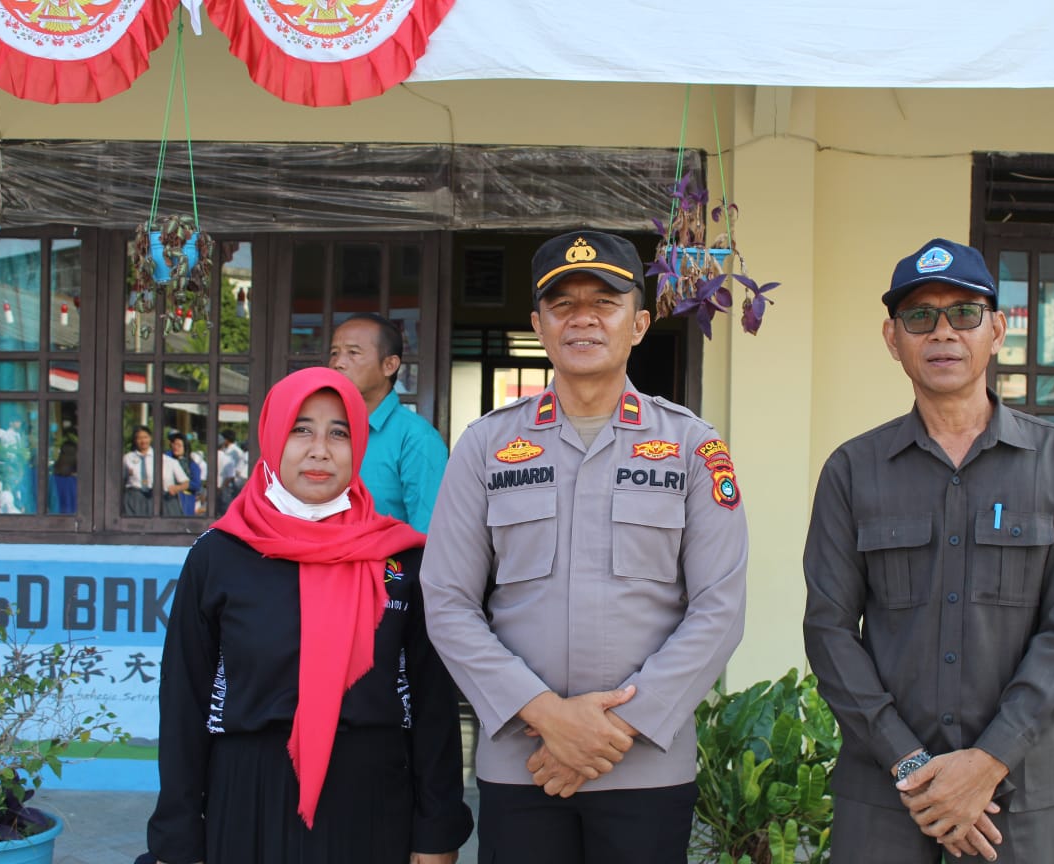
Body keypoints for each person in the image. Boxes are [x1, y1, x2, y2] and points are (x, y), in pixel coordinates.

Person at [421, 230, 748, 864]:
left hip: (646, 765)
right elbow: (448, 601)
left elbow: (720, 607)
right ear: (539, 325)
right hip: (525, 762)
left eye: (605, 301)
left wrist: (607, 733)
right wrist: (548, 717)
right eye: (563, 303)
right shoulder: (485, 446)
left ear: (640, 323)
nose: (583, 318)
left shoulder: (691, 446)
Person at [802, 238, 1054, 863]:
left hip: (1016, 801)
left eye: (964, 313)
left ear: (997, 330)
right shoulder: (853, 470)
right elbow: (829, 630)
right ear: (894, 339)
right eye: (920, 316)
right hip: (886, 798)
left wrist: (988, 761)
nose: (942, 332)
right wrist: (912, 765)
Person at [144, 367, 472, 864]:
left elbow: (432, 704)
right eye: (301, 429)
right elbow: (185, 699)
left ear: (358, 444)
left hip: (373, 799)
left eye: (339, 432)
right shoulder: (219, 555)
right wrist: (179, 835)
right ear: (273, 436)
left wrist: (436, 830)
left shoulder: (401, 559)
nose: (320, 449)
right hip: (248, 794)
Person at [329, 312, 448, 531]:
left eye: (353, 353)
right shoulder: (324, 429)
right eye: (334, 353)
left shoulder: (416, 439)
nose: (338, 363)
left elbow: (428, 536)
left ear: (390, 365)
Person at [121, 425, 190, 516]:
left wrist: (176, 488)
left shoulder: (166, 460)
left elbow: (185, 482)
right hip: (135, 499)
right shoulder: (127, 458)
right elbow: (121, 480)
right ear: (135, 440)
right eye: (139, 438)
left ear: (150, 438)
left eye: (145, 437)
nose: (143, 441)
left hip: (161, 499)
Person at [165, 432, 202, 517]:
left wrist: (181, 487)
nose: (175, 447)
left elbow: (196, 484)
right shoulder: (167, 460)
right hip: (168, 500)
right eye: (174, 444)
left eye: (179, 445)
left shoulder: (191, 465)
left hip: (185, 500)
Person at [216, 428, 249, 512]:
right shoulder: (233, 452)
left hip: (229, 485)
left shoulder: (236, 452)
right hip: (228, 485)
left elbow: (237, 473)